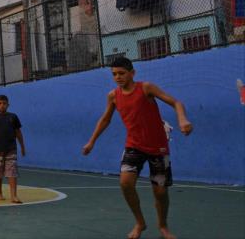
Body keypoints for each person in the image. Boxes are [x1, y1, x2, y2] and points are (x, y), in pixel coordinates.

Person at [82, 57, 192, 239]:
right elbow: (105, 119)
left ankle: (163, 226)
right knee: (125, 182)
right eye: (114, 74)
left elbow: (176, 103)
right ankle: (140, 222)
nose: (117, 77)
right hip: (134, 146)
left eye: (121, 73)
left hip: (158, 147)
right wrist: (91, 141)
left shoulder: (146, 88)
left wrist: (183, 119)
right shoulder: (113, 96)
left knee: (160, 192)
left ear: (132, 73)